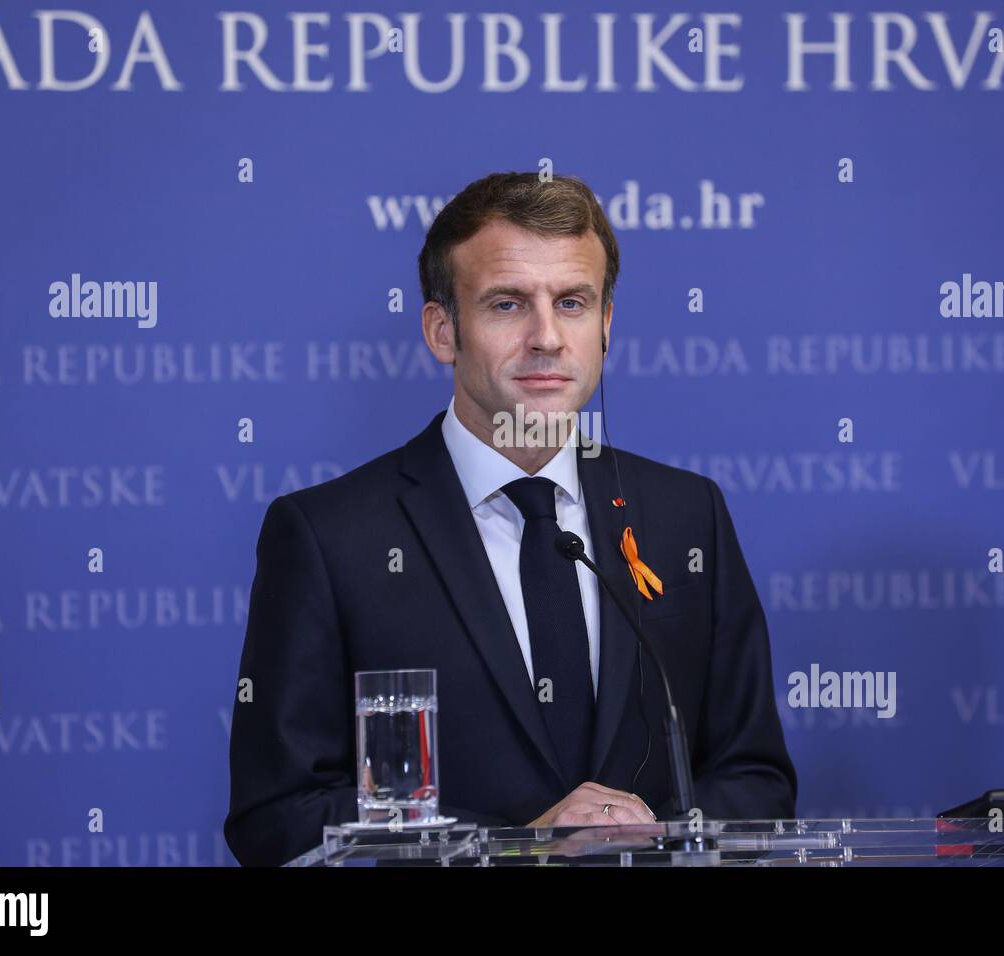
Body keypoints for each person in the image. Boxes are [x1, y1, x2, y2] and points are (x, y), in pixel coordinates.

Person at [224, 171, 797, 866]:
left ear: (607, 324)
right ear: (443, 330)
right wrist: (517, 846)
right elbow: (276, 816)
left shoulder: (686, 516)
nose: (547, 337)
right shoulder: (328, 537)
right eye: (507, 304)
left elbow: (757, 782)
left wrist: (651, 831)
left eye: (573, 303)